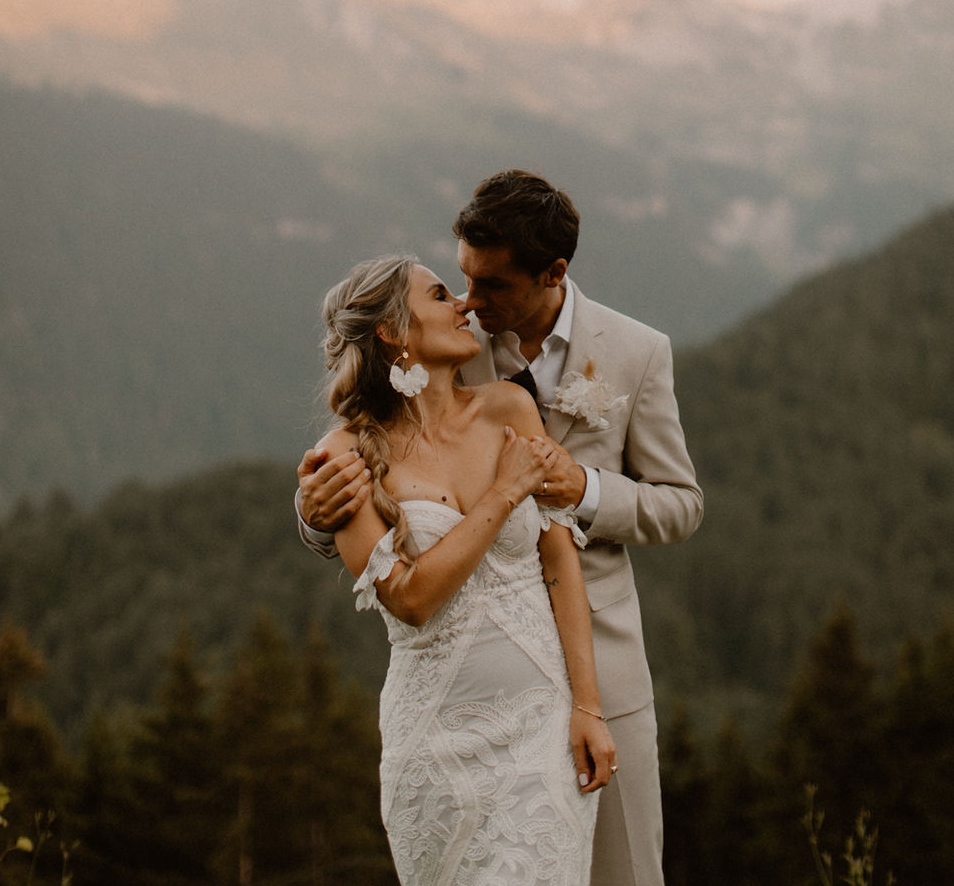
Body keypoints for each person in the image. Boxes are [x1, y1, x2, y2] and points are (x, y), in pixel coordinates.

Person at [298, 171, 703, 886]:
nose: (471, 303)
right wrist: (316, 512)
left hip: (591, 663)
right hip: (452, 700)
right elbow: (371, 460)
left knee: (628, 873)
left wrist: (583, 489)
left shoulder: (637, 354)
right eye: (461, 282)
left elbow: (681, 504)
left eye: (491, 287)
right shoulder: (453, 351)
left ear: (553, 274)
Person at [313, 251, 616, 886]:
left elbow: (558, 560)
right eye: (441, 295)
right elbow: (412, 600)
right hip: (434, 748)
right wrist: (504, 494)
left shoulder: (509, 408)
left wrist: (588, 708)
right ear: (394, 331)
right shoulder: (343, 457)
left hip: (541, 730)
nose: (464, 305)